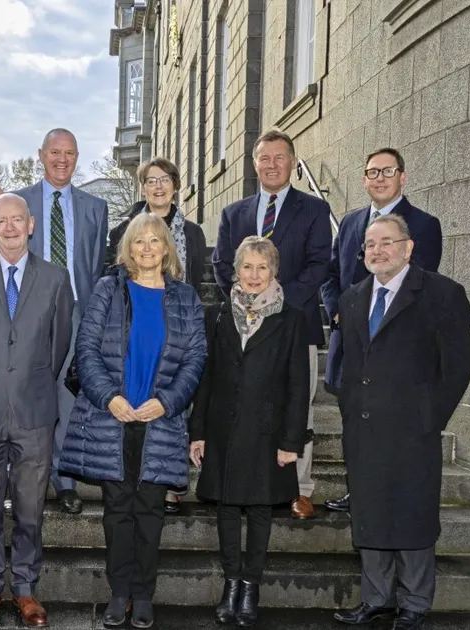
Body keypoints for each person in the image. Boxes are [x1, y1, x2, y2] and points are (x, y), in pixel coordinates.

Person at [59, 212, 207, 629]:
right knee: (117, 512)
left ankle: (143, 593)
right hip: (114, 418)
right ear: (128, 248)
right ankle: (119, 591)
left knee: (151, 512)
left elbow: (196, 357)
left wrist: (169, 401)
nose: (146, 248)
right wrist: (109, 398)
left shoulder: (185, 298)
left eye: (154, 241)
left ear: (166, 248)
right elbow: (86, 349)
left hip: (160, 419)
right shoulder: (108, 289)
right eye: (138, 241)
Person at [332, 214, 470, 630]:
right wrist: (348, 409)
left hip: (414, 429)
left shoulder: (442, 293)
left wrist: (431, 417)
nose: (377, 251)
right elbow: (352, 363)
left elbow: (460, 365)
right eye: (370, 245)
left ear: (408, 248)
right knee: (370, 515)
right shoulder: (353, 297)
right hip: (363, 429)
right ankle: (376, 599)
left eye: (386, 242)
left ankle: (414, 603)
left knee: (412, 514)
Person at [0, 193, 74, 628]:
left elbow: (58, 346)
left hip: (35, 411)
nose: (8, 227)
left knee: (30, 508)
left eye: (16, 220)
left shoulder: (56, 279)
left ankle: (24, 588)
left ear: (30, 225)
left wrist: (29, 379)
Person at [189, 236, 309, 627]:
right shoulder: (220, 315)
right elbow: (206, 377)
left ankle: (251, 585)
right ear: (235, 270)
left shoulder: (291, 319)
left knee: (259, 511)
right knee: (226, 509)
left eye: (262, 268)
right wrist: (199, 431)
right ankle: (231, 585)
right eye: (247, 267)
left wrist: (291, 442)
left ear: (273, 272)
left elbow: (298, 385)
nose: (254, 275)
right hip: (224, 430)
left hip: (267, 433)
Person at [210, 129, 331, 519]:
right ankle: (242, 477)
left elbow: (318, 266)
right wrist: (247, 304)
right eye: (265, 158)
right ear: (255, 163)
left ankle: (300, 488)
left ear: (293, 163)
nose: (272, 164)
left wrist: (281, 310)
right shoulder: (234, 213)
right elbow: (222, 264)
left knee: (299, 404)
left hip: (295, 327)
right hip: (242, 328)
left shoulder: (313, 210)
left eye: (280, 157)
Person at [320, 148, 443, 514]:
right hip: (350, 349)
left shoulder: (423, 225)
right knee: (354, 426)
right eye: (372, 172)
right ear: (364, 180)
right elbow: (330, 276)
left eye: (387, 171)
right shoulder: (350, 222)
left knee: (393, 427)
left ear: (402, 176)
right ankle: (358, 490)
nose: (380, 178)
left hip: (395, 353)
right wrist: (338, 312)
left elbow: (421, 284)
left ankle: (388, 496)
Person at [12, 128, 109, 515]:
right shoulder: (18, 202)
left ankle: (64, 480)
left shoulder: (95, 208)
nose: (62, 159)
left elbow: (97, 265)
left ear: (77, 156)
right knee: (25, 396)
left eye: (69, 153)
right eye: (55, 152)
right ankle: (25, 477)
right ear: (41, 155)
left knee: (69, 396)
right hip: (27, 311)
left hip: (76, 310)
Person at [107, 157, 207, 514]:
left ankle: (167, 485)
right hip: (139, 328)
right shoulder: (122, 232)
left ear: (175, 184)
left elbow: (198, 283)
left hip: (179, 327)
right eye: (151, 180)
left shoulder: (193, 233)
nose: (159, 186)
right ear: (143, 187)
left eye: (165, 179)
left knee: (174, 403)